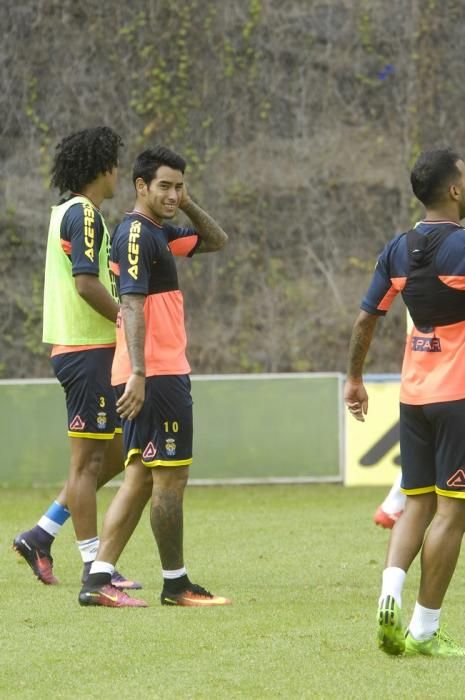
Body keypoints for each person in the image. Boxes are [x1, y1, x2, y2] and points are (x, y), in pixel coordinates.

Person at [78, 145, 231, 608]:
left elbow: (217, 239)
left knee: (141, 477)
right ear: (140, 186)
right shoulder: (135, 234)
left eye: (179, 185)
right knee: (169, 479)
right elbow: (132, 304)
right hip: (157, 373)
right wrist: (141, 372)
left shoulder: (158, 234)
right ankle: (176, 584)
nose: (173, 193)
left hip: (156, 371)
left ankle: (99, 577)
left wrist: (184, 202)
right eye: (164, 185)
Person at [344, 148, 465, 657]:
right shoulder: (461, 248)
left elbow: (367, 317)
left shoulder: (397, 248)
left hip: (413, 396)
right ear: (455, 190)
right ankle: (423, 629)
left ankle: (389, 595)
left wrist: (354, 378)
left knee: (415, 503)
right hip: (458, 396)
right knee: (452, 513)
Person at [13, 126, 140, 590]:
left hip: (87, 352)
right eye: (114, 167)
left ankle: (40, 534)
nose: (118, 175)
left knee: (115, 453)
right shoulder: (84, 214)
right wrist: (126, 319)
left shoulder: (66, 212)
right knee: (87, 464)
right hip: (86, 351)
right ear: (101, 169)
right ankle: (94, 566)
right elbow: (86, 283)